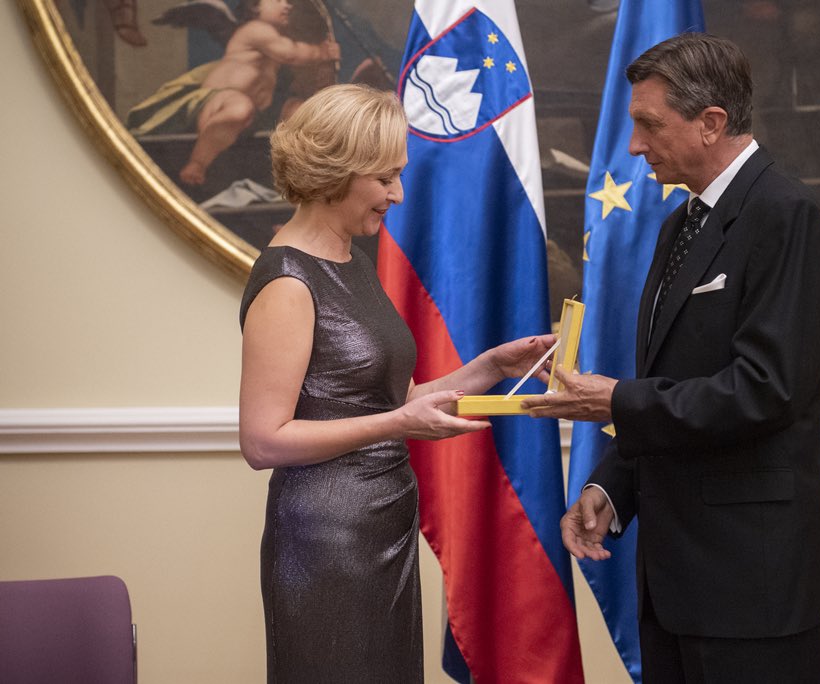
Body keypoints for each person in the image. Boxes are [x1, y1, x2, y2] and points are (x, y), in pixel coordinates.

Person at [522, 33, 820, 682]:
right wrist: (611, 487)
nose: (634, 146)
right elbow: (674, 383)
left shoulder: (786, 216)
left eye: (649, 124)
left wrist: (616, 400)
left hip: (751, 587)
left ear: (711, 123)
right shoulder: (680, 225)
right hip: (675, 584)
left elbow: (767, 389)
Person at [238, 83, 556, 682]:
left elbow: (383, 401)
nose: (398, 194)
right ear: (337, 170)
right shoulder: (287, 279)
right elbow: (263, 440)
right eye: (385, 178)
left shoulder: (350, 259)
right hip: (325, 543)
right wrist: (397, 424)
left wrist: (490, 367)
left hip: (382, 526)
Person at [127, 0, 340, 186]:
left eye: (287, 1)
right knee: (239, 108)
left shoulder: (279, 36)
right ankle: (198, 163)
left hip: (256, 112)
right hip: (219, 100)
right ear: (255, 7)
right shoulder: (256, 29)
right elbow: (290, 54)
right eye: (277, 0)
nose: (287, 5)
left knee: (299, 110)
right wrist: (321, 52)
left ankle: (306, 170)